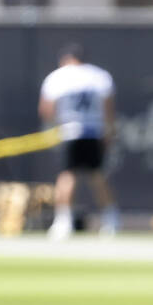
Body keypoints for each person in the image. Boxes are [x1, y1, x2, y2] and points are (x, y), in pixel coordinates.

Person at [39, 43, 118, 238]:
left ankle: (63, 222)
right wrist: (108, 132)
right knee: (97, 176)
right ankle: (111, 220)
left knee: (68, 176)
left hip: (70, 131)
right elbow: (108, 110)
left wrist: (55, 127)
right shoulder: (99, 76)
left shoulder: (58, 77)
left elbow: (46, 110)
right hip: (94, 131)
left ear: (66, 59)